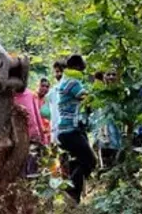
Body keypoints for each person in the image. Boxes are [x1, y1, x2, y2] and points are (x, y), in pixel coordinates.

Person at [55, 54, 96, 201]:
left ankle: (74, 198)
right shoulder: (73, 82)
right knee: (90, 161)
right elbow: (87, 99)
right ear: (79, 67)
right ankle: (69, 191)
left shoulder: (65, 81)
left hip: (66, 130)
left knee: (78, 161)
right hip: (70, 130)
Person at [13, 71, 45, 176]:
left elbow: (37, 115)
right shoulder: (9, 97)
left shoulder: (30, 95)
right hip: (18, 137)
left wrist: (42, 135)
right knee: (21, 165)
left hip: (33, 135)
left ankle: (32, 188)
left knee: (33, 164)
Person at [37, 77, 53, 142]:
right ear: (38, 86)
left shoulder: (48, 101)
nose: (45, 88)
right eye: (42, 86)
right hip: (36, 131)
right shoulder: (33, 97)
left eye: (47, 87)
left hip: (46, 132)